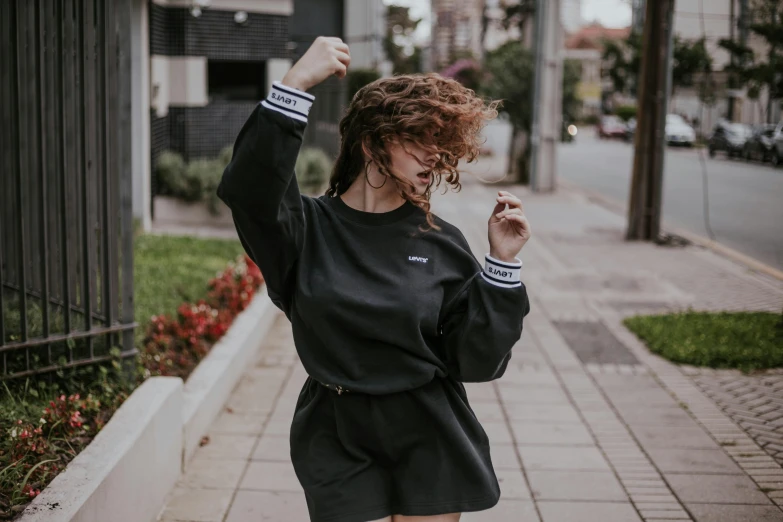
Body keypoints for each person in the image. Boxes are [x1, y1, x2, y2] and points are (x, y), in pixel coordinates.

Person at [217, 36, 531, 522]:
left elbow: (478, 360)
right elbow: (251, 191)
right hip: (335, 431)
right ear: (372, 142)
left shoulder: (442, 243)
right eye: (420, 138)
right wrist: (295, 85)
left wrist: (502, 266)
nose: (436, 155)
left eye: (443, 143)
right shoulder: (306, 230)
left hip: (429, 430)